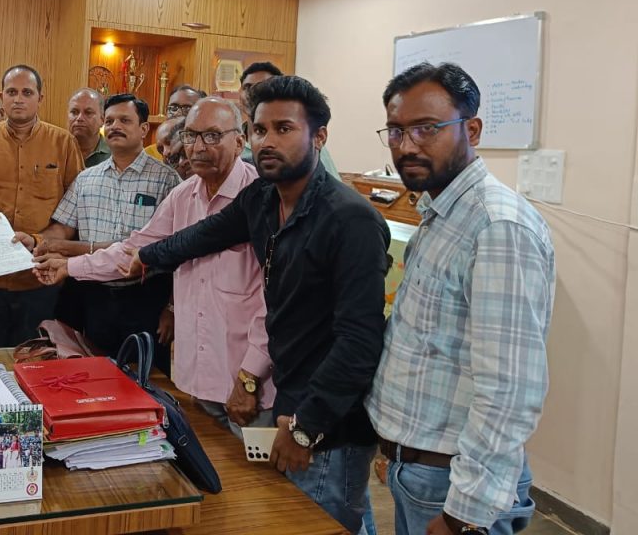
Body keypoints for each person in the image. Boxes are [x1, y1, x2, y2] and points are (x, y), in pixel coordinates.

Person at [118, 76, 389, 534]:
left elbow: (358, 342)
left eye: (284, 129)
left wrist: (306, 427)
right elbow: (201, 236)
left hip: (329, 423)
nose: (268, 142)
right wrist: (147, 255)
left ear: (319, 137)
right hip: (286, 398)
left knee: (324, 521)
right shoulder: (263, 198)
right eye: (260, 130)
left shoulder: (350, 220)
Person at [367, 62, 555, 535]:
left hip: (453, 487)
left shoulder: (496, 226)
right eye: (396, 131)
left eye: (426, 128)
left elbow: (509, 389)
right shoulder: (442, 212)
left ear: (472, 130)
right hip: (421, 472)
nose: (406, 146)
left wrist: (464, 514)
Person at [35, 97, 275, 437]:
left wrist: (251, 376)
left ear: (240, 141)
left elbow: (274, 300)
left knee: (258, 469)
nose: (198, 147)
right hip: (196, 376)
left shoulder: (263, 199)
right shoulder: (183, 196)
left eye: (212, 136)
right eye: (191, 136)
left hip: (249, 384)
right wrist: (70, 267)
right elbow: (134, 250)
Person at [17, 94, 179, 370]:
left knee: (145, 376)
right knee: (94, 371)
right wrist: (35, 240)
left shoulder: (166, 179)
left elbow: (174, 250)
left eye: (124, 120)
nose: (115, 126)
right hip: (93, 294)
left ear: (143, 129)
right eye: (110, 121)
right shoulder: (86, 178)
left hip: (145, 295)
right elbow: (63, 227)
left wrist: (171, 308)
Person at [0, 64, 84, 347]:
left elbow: (76, 207)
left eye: (27, 92)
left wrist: (40, 240)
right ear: (2, 96)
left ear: (40, 98)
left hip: (39, 274)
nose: (18, 99)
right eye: (12, 92)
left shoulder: (63, 142)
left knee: (33, 358)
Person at [239, 61, 340, 177]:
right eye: (247, 87)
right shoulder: (231, 139)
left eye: (284, 129)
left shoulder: (310, 145)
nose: (252, 94)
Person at [67, 88, 110, 167]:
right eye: (74, 112)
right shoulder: (56, 150)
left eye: (88, 113)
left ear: (102, 119)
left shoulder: (116, 155)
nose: (79, 118)